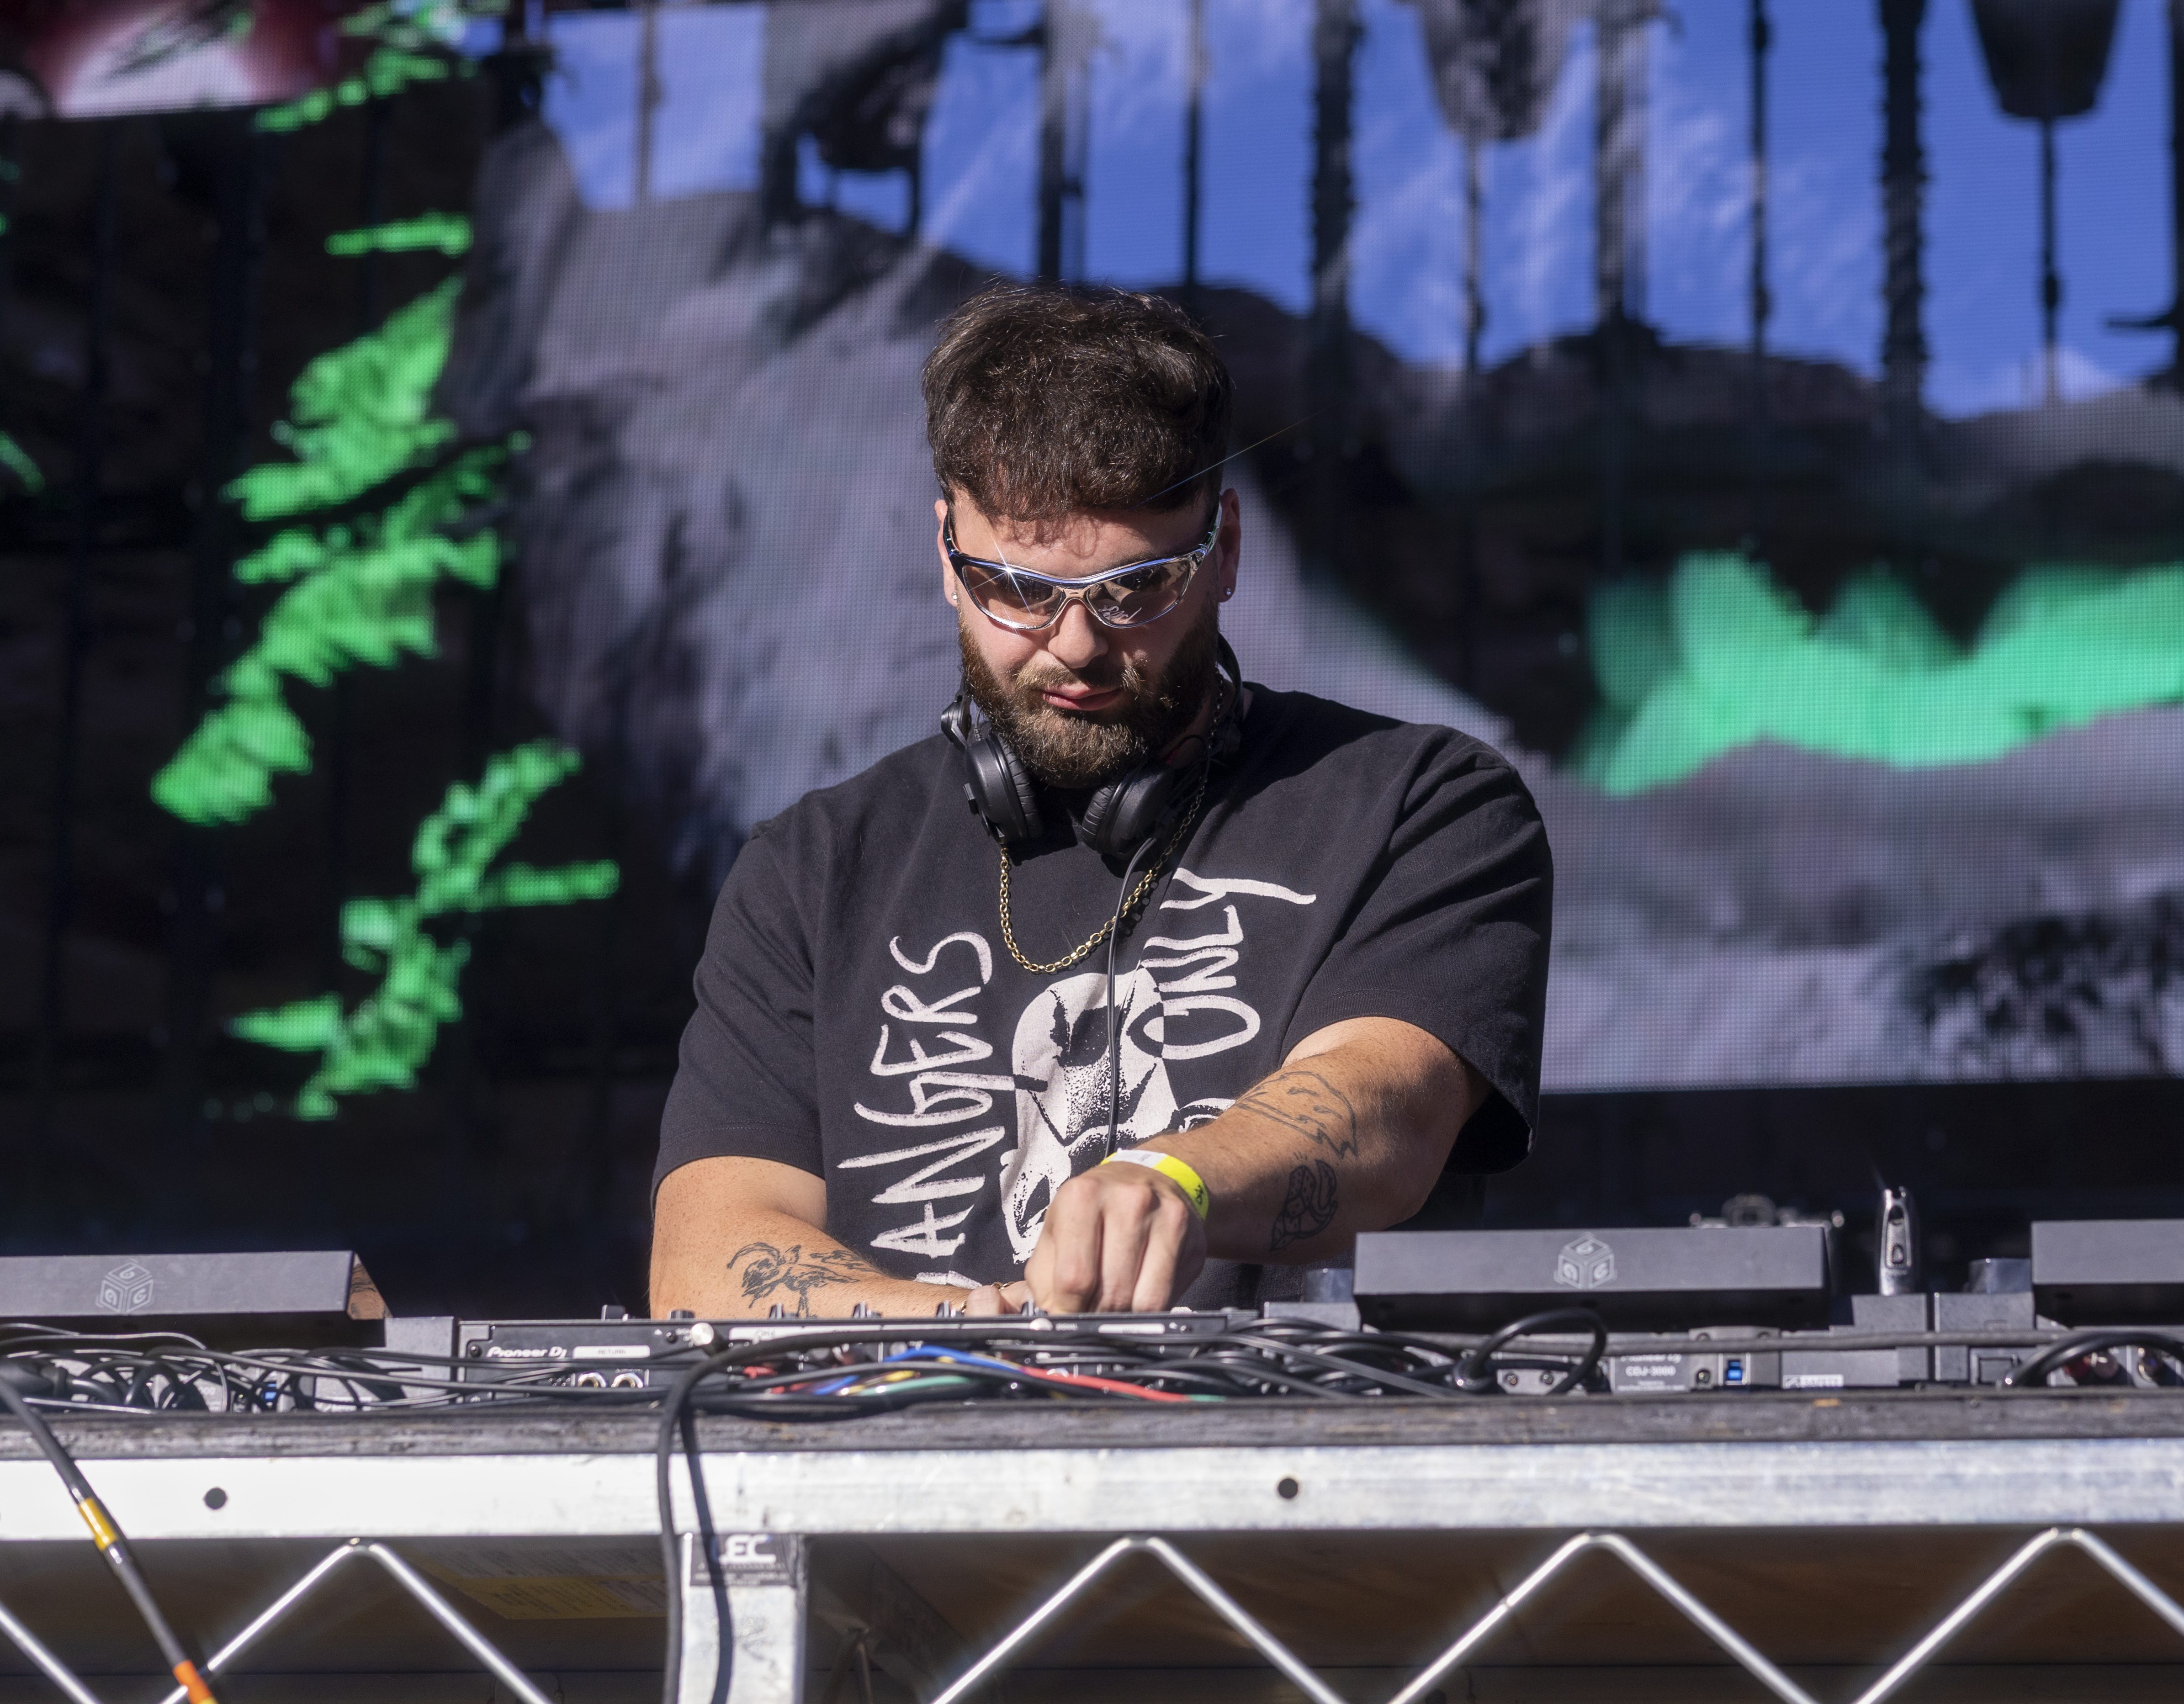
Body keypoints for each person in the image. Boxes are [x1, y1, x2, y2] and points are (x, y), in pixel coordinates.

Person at [647, 284, 1552, 1319]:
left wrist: (1180, 1182)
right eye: (1018, 589)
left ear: (1228, 551)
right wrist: (981, 1331)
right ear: (947, 552)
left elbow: (1386, 1110)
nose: (1075, 644)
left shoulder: (1423, 805)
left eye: (1135, 590)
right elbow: (705, 1260)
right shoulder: (812, 869)